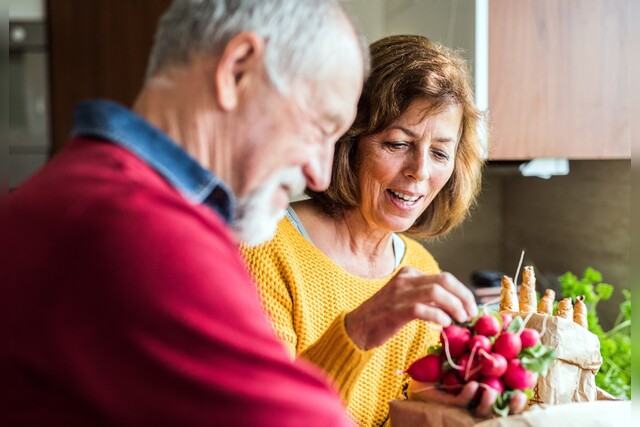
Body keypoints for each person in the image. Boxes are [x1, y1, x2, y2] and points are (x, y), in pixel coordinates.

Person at [1, 1, 369, 425]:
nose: (320, 174)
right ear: (237, 70)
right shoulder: (137, 226)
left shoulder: (85, 188)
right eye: (322, 128)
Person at [241, 35, 527, 426]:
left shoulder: (420, 268)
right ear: (347, 143)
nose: (420, 172)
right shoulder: (263, 247)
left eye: (440, 153)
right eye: (396, 143)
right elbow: (263, 416)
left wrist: (449, 404)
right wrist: (357, 332)